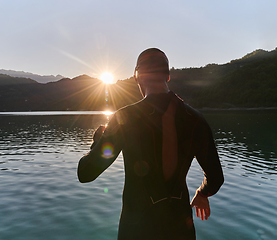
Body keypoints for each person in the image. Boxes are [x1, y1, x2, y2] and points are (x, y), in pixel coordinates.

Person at [77, 48, 224, 240]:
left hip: (138, 228)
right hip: (180, 226)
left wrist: (97, 142)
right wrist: (203, 193)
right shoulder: (196, 120)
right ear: (168, 76)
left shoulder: (125, 118)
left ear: (137, 77)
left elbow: (86, 173)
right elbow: (216, 178)